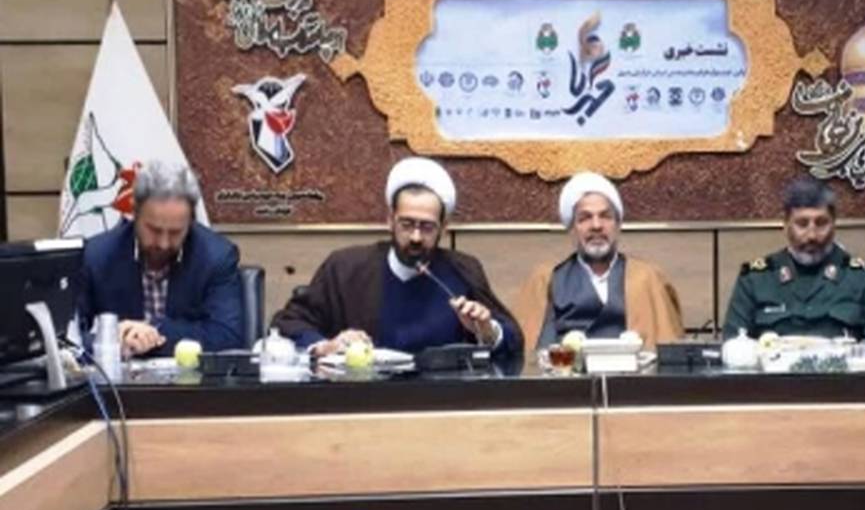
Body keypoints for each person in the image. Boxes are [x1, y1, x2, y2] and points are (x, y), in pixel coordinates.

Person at [271, 157, 521, 358]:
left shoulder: (462, 270)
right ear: (390, 220)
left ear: (444, 228)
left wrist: (487, 331)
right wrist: (326, 346)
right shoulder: (346, 268)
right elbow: (288, 323)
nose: (415, 237)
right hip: (364, 397)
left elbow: (513, 339)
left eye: (427, 227)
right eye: (407, 224)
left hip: (443, 399)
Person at [77, 162, 243, 357]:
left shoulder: (216, 257)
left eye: (175, 232)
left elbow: (228, 337)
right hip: (118, 374)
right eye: (154, 230)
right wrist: (112, 338)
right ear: (134, 213)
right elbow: (67, 339)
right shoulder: (97, 256)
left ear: (191, 221)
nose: (163, 244)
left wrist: (151, 332)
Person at [514, 172, 684, 350]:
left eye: (605, 216)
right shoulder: (546, 279)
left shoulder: (647, 278)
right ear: (572, 229)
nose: (596, 226)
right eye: (585, 218)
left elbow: (669, 349)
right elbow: (529, 350)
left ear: (618, 225)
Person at [722, 177, 865, 340]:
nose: (812, 235)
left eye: (821, 223)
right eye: (802, 224)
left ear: (834, 224)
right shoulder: (756, 279)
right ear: (785, 225)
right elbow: (734, 345)